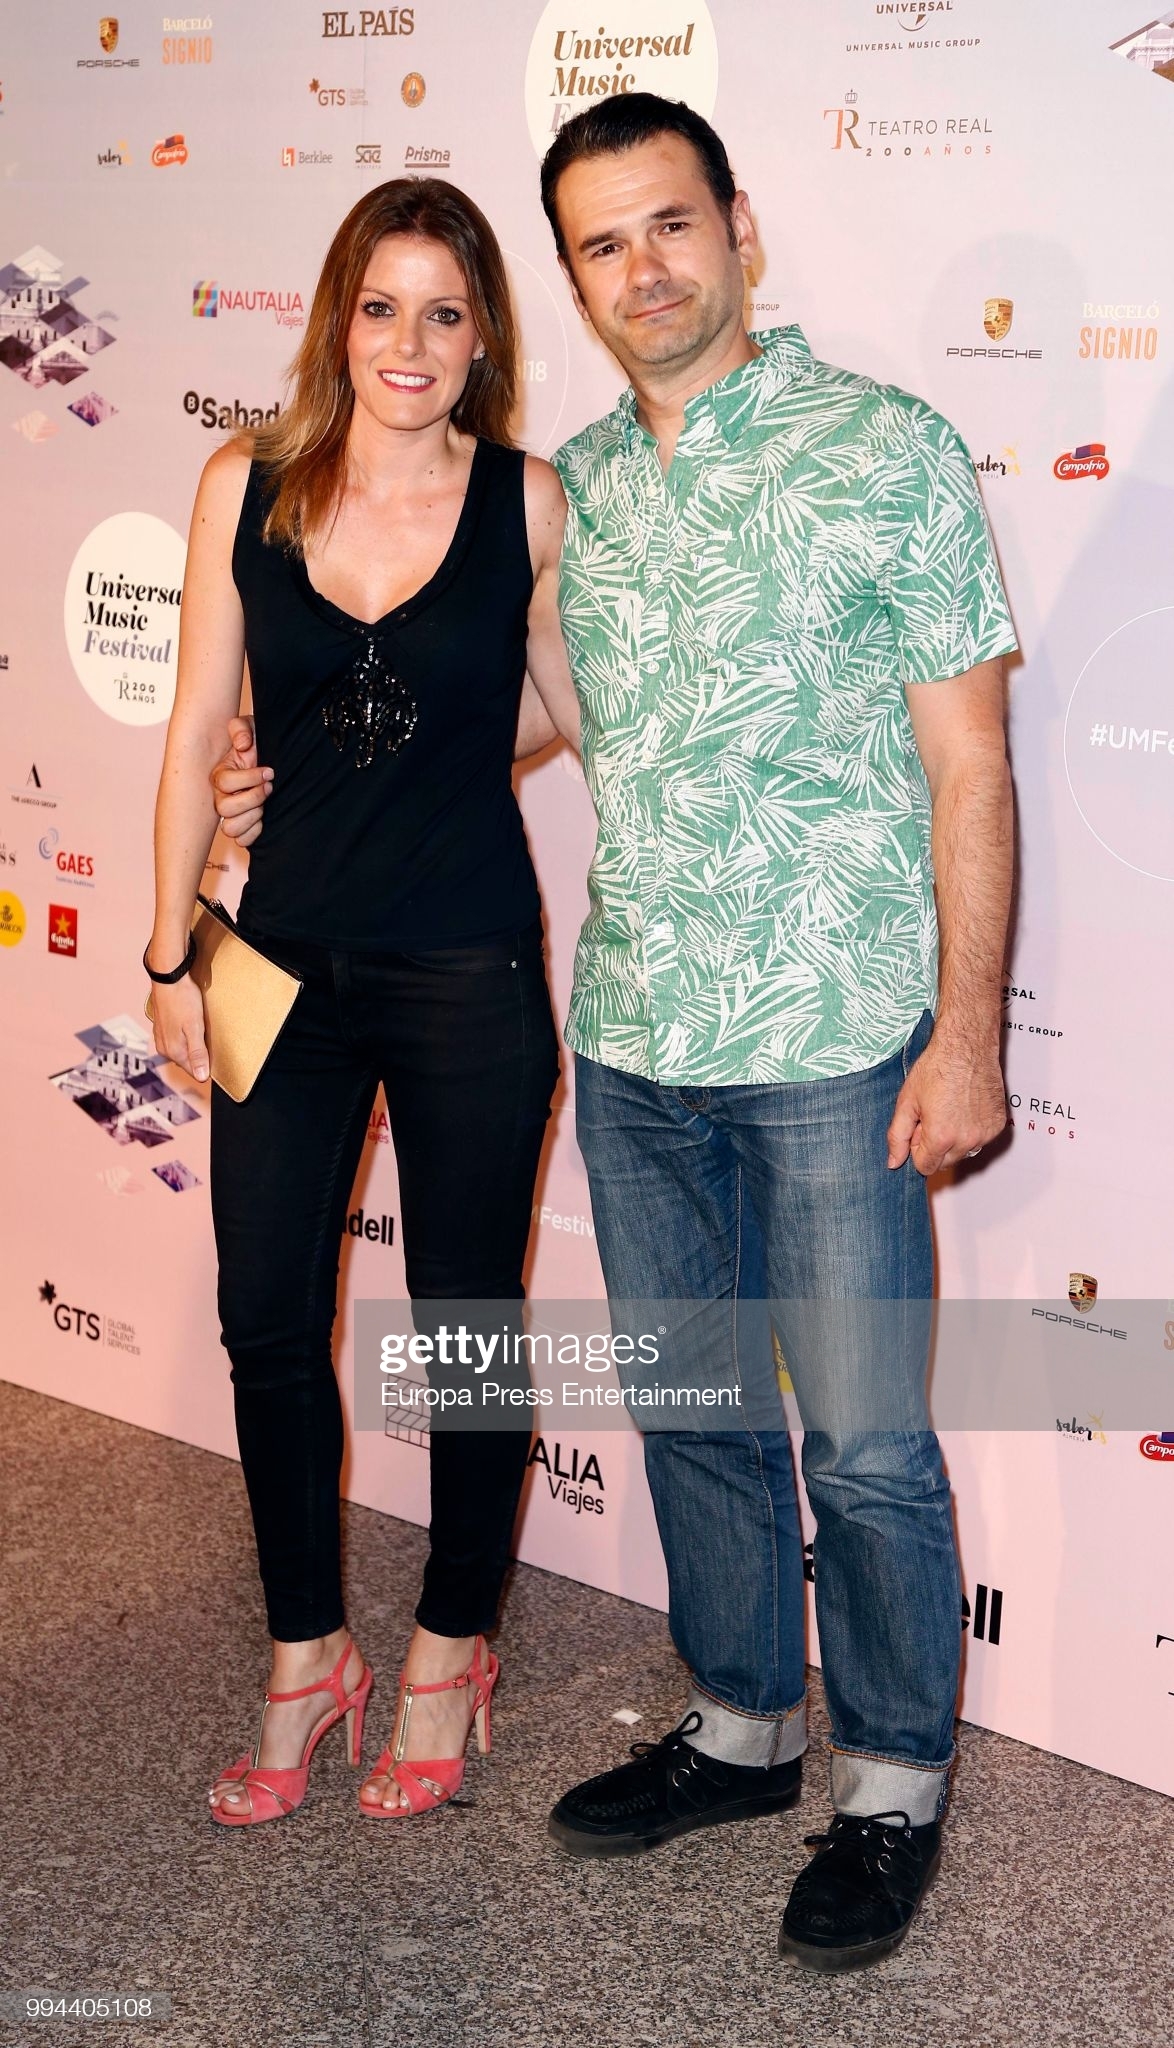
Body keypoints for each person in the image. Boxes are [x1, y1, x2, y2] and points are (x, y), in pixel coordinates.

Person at [216, 96, 1017, 1971]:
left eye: (668, 224)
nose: (641, 269)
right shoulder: (565, 487)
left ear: (735, 226)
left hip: (833, 1031)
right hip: (640, 1028)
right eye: (599, 243)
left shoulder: (885, 447)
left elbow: (968, 768)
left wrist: (967, 1033)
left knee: (865, 1446)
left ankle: (891, 1777)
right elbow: (510, 719)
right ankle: (740, 1725)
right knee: (693, 1410)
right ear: (568, 282)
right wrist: (297, 780)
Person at [148, 177, 579, 1827]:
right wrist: (167, 951)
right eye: (382, 306)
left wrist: (438, 754)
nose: (410, 343)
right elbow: (193, 729)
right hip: (278, 963)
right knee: (265, 1319)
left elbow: (568, 709)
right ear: (339, 317)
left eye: (444, 313)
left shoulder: (527, 502)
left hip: (470, 966)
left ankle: (449, 1651)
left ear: (482, 339)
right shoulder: (245, 483)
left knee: (464, 1326)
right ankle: (305, 1655)